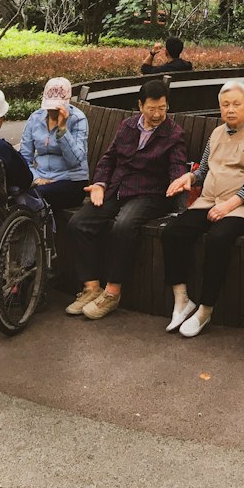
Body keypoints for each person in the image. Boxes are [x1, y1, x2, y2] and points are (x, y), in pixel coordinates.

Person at [65, 78, 186, 321]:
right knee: (79, 223)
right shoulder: (128, 126)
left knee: (123, 226)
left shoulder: (173, 133)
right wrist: (99, 184)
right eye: (152, 108)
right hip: (117, 189)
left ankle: (112, 292)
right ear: (140, 105)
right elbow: (109, 159)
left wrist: (178, 181)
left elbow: (177, 165)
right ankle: (91, 287)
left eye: (162, 108)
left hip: (150, 193)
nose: (157, 114)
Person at [162, 79, 244, 339]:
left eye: (236, 104)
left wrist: (230, 205)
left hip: (242, 206)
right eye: (225, 105)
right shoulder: (216, 133)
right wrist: (189, 178)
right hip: (209, 201)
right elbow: (205, 170)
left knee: (218, 238)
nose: (230, 109)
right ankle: (182, 299)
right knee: (172, 232)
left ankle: (205, 309)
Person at [18, 77, 89, 212]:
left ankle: (43, 230)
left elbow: (75, 160)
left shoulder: (78, 119)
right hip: (40, 180)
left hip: (71, 181)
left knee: (33, 196)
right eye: (49, 107)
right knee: (13, 191)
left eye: (57, 107)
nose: (52, 111)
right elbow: (24, 157)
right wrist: (36, 178)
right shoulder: (35, 118)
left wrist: (62, 130)